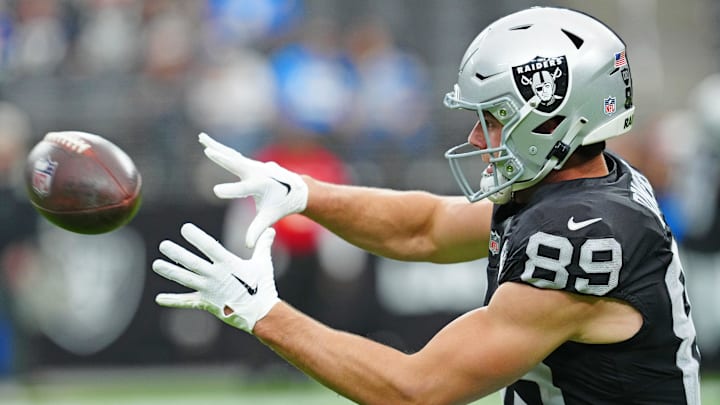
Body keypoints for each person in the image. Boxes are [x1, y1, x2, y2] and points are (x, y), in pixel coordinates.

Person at [152, 7, 701, 404]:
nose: (479, 136)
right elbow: (427, 229)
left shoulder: (582, 234)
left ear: (553, 119)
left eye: (493, 117)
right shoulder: (576, 185)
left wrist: (260, 314)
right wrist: (302, 192)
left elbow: (417, 390)